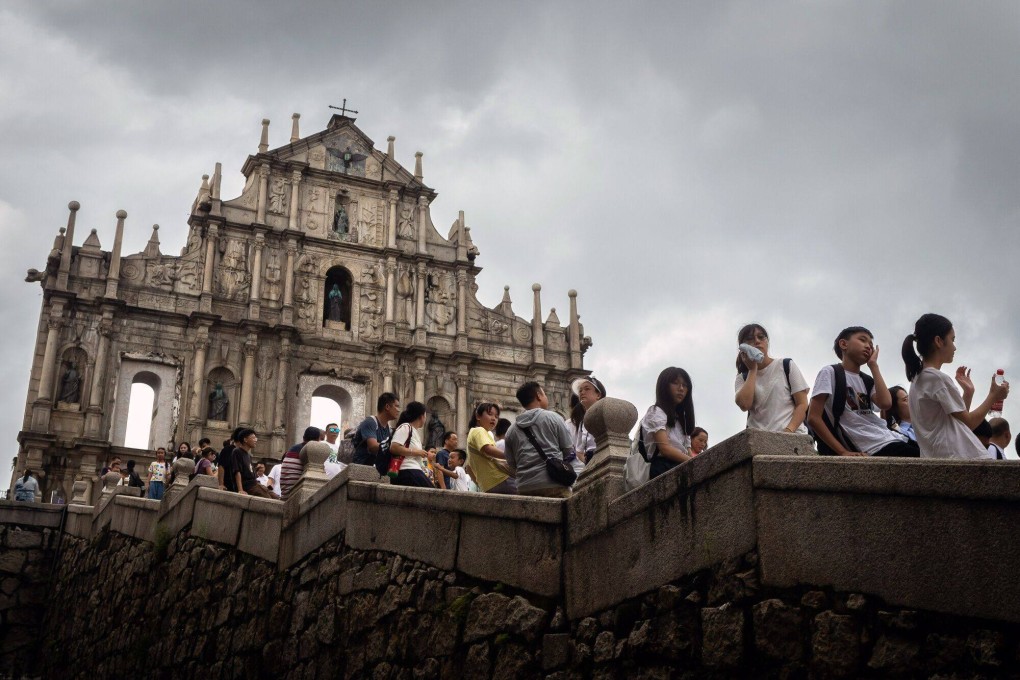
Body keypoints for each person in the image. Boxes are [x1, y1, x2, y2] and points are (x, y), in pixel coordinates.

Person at [901, 314, 1010, 459]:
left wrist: (968, 392)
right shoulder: (937, 378)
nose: (954, 347)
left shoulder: (919, 378)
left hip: (941, 459)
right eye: (952, 340)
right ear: (939, 341)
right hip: (958, 459)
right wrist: (993, 396)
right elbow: (968, 423)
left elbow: (957, 422)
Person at [808, 326, 919, 457]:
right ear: (843, 344)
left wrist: (873, 366)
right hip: (870, 446)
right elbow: (813, 418)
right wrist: (842, 451)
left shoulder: (867, 380)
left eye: (871, 344)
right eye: (863, 340)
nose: (868, 346)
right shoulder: (830, 372)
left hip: (890, 437)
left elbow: (886, 403)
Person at [734, 324, 810, 433]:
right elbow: (744, 405)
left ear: (767, 341)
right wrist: (752, 370)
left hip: (791, 436)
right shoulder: (742, 378)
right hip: (759, 441)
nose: (757, 341)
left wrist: (788, 431)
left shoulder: (786, 365)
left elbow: (802, 404)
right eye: (750, 339)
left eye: (761, 337)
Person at [504, 381, 575, 498]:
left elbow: (511, 463)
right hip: (554, 484)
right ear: (538, 395)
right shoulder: (554, 418)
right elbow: (568, 450)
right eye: (544, 394)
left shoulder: (511, 431)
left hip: (524, 487)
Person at [641, 367, 696, 479]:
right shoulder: (656, 412)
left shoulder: (682, 420)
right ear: (664, 386)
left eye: (685, 385)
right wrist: (693, 461)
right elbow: (665, 449)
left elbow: (687, 450)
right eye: (675, 383)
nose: (681, 389)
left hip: (680, 464)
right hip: (663, 466)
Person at [467, 403, 516, 494]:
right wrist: (510, 456)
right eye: (490, 414)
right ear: (478, 416)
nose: (494, 418)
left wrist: (481, 484)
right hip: (499, 478)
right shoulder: (479, 430)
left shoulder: (474, 433)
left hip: (488, 484)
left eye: (496, 416)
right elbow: (488, 449)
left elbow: (468, 467)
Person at [388, 401, 436, 488]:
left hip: (412, 470)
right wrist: (417, 452)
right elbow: (394, 447)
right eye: (425, 415)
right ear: (421, 416)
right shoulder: (405, 427)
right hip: (407, 470)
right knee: (434, 495)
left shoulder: (413, 430)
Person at [567, 375, 607, 472]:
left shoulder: (605, 414)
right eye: (580, 391)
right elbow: (579, 451)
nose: (582, 392)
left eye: (587, 389)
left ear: (598, 395)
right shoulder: (582, 423)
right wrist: (589, 463)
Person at [353, 393, 400, 466]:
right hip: (361, 467)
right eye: (396, 406)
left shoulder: (389, 429)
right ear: (387, 406)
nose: (398, 410)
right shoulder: (370, 422)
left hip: (376, 467)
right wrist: (395, 447)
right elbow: (373, 447)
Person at [232, 429, 275, 498]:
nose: (256, 440)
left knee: (276, 497)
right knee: (268, 499)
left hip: (255, 484)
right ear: (245, 440)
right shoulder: (237, 451)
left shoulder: (248, 455)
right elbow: (237, 471)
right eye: (253, 438)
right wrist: (240, 490)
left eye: (256, 438)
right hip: (248, 486)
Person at [281, 427, 320, 500]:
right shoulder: (308, 450)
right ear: (317, 440)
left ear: (303, 438)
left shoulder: (293, 448)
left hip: (285, 493)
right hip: (293, 495)